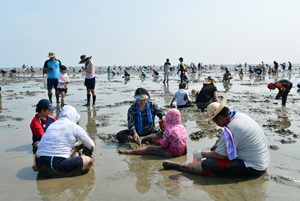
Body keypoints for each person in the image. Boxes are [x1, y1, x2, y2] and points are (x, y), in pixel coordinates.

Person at [163, 96, 270, 177]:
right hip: (262, 161)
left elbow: (221, 156)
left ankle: (180, 167)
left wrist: (201, 154)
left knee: (209, 164)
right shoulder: (239, 116)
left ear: (219, 118)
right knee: (219, 143)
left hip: (252, 168)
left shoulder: (231, 129)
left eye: (214, 121)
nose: (216, 125)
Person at [35, 105, 95, 178]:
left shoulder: (52, 125)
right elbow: (91, 145)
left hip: (39, 163)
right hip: (54, 165)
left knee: (72, 152)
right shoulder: (74, 126)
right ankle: (75, 172)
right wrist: (87, 152)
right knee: (89, 161)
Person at [118, 109, 187, 156]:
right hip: (182, 151)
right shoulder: (182, 127)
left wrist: (159, 142)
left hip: (172, 153)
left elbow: (164, 145)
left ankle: (130, 152)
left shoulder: (169, 130)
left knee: (149, 148)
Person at [30, 99, 56, 171]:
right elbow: (43, 137)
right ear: (42, 111)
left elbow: (58, 127)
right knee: (37, 146)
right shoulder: (35, 122)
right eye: (48, 110)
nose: (50, 111)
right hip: (41, 141)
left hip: (52, 139)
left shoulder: (51, 117)